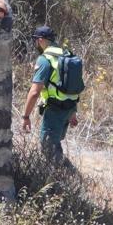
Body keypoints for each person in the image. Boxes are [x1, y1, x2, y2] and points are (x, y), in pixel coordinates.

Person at [21, 26, 79, 163]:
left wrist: (25, 116)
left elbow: (35, 92)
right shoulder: (68, 55)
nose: (35, 44)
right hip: (69, 107)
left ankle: (60, 179)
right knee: (55, 144)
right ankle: (62, 176)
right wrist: (73, 112)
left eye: (36, 40)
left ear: (40, 40)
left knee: (49, 149)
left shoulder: (45, 59)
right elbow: (73, 85)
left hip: (55, 110)